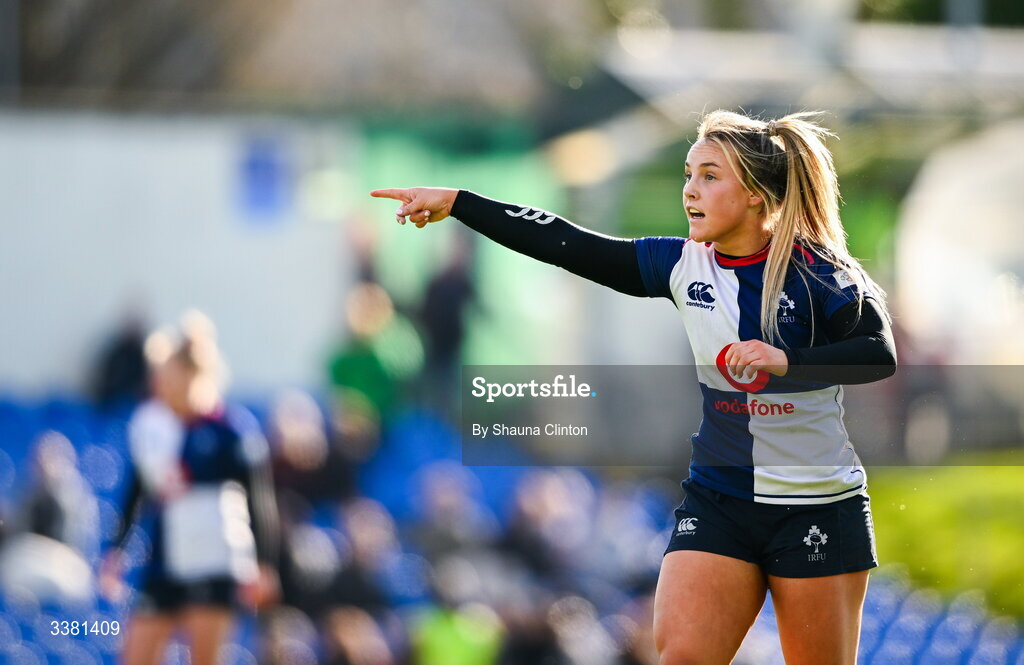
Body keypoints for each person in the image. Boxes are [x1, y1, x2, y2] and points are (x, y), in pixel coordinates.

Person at [370, 110, 897, 665]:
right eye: (688, 174)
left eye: (710, 176)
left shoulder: (822, 272)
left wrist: (785, 361)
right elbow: (568, 243)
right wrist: (459, 202)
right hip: (721, 499)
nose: (690, 190)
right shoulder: (681, 265)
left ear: (757, 196)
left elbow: (877, 356)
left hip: (814, 506)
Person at [99, 312, 280, 665]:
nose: (160, 384)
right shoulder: (151, 427)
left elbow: (259, 501)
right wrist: (116, 549)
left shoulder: (230, 432)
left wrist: (263, 563)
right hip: (166, 559)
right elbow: (136, 493)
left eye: (168, 375)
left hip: (214, 559)